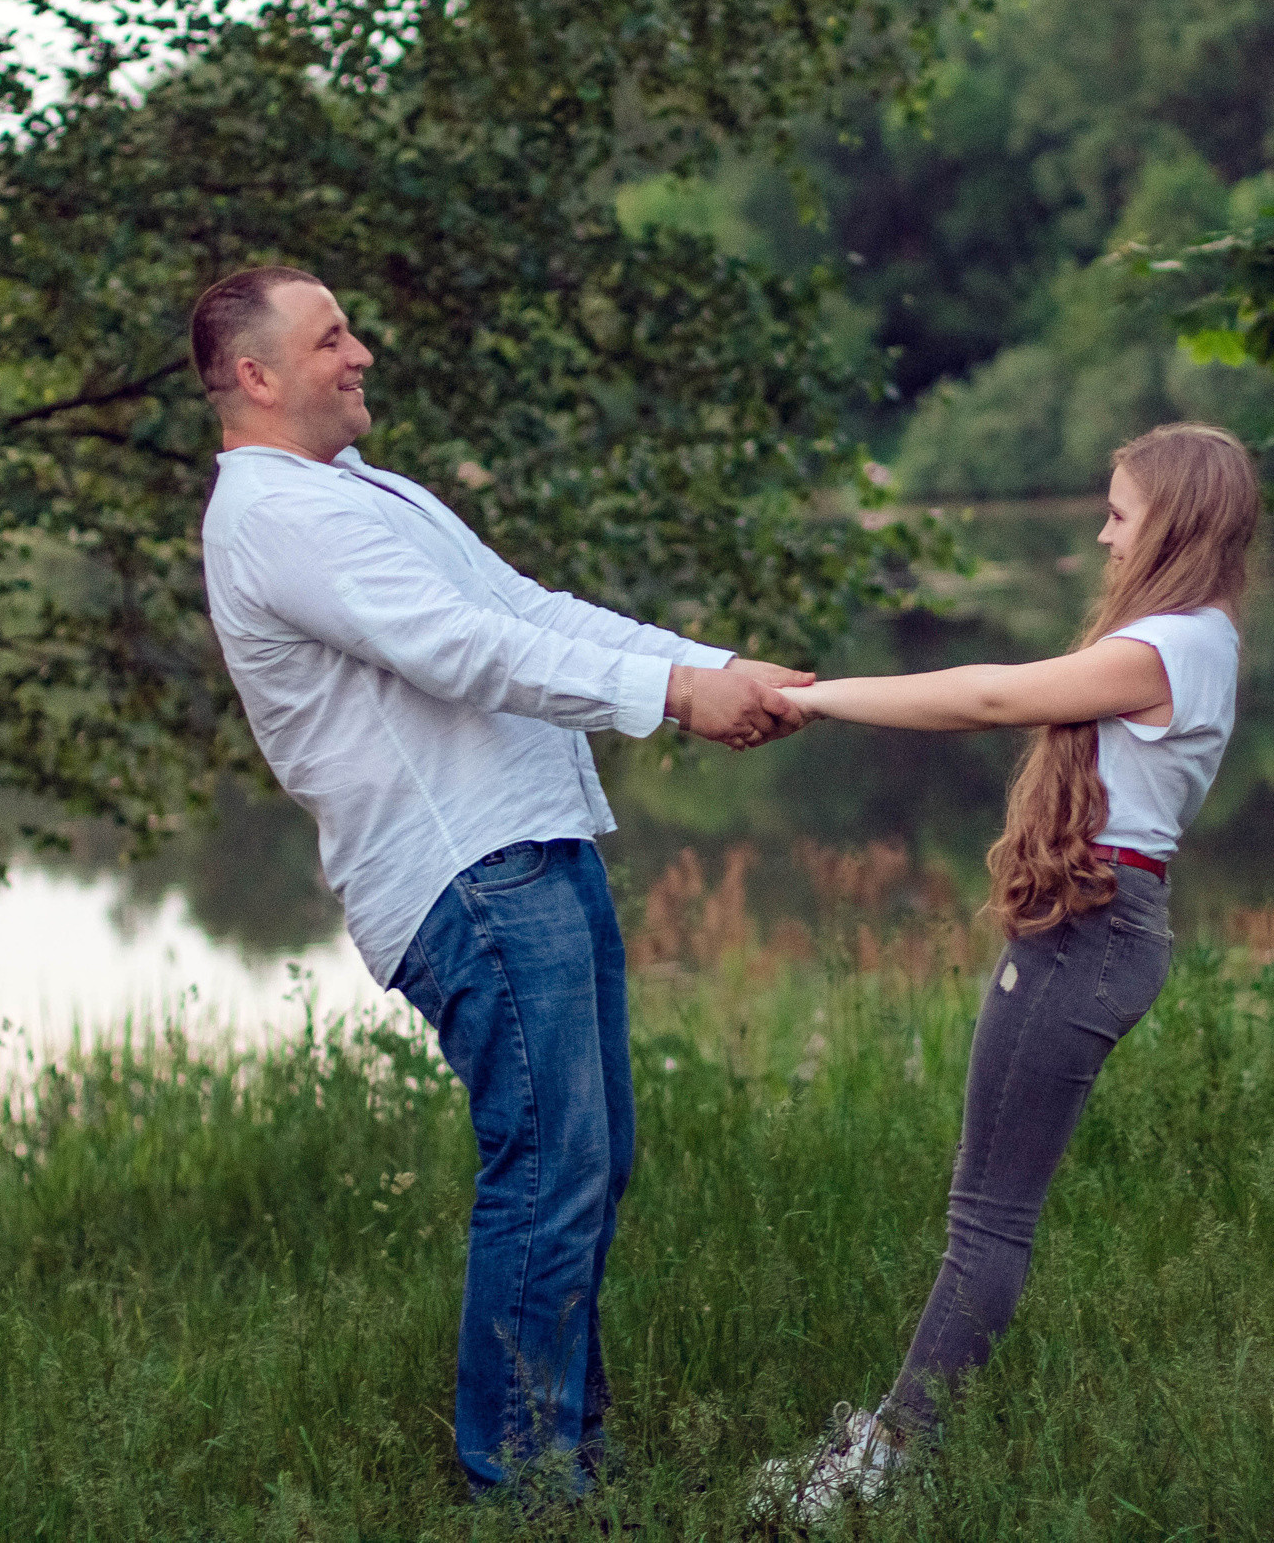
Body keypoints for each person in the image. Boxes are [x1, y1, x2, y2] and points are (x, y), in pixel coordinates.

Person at [190, 265, 811, 1498]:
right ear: (255, 377)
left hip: (529, 844)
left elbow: (524, 607)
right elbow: (463, 650)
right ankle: (525, 1492)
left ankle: (564, 1462)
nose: (361, 352)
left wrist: (711, 661)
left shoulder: (358, 490)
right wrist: (681, 697)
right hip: (464, 875)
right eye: (331, 340)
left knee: (587, 1161)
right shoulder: (275, 516)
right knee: (548, 1166)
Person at [753, 422, 1260, 1523]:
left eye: (1119, 514)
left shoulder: (1171, 646)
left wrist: (816, 696)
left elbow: (987, 696)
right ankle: (894, 1439)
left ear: (1172, 520)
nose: (1102, 533)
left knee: (986, 1220)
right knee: (983, 1212)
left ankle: (885, 1469)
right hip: (1094, 927)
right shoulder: (1190, 638)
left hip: (1092, 936)